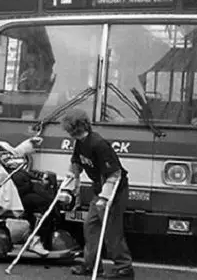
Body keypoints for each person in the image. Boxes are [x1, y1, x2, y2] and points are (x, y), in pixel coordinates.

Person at [58, 108, 134, 279]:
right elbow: (76, 163)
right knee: (90, 226)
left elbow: (115, 173)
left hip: (114, 190)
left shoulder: (98, 144)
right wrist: (70, 182)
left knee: (112, 230)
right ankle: (91, 265)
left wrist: (105, 198)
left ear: (74, 127)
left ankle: (124, 268)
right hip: (99, 189)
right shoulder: (80, 143)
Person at [0, 125, 62, 253]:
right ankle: (35, 241)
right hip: (10, 193)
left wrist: (31, 142)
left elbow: (17, 152)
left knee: (52, 199)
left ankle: (44, 236)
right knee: (44, 204)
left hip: (24, 186)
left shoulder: (4, 146)